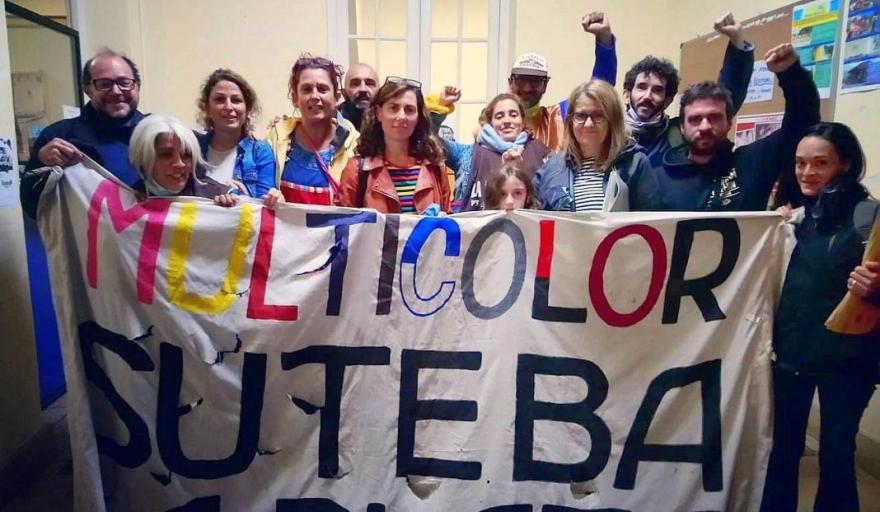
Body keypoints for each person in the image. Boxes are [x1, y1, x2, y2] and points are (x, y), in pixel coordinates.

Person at [761, 122, 880, 512]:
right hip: (791, 355)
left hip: (848, 362)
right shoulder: (798, 217)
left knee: (836, 457)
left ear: (845, 164)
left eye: (820, 163)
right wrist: (777, 227)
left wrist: (876, 287)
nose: (807, 172)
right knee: (781, 453)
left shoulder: (871, 217)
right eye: (800, 163)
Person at [629, 43, 820, 212]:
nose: (705, 126)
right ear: (682, 128)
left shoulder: (753, 163)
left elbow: (802, 124)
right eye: (695, 119)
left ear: (729, 122)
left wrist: (791, 74)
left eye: (714, 117)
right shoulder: (656, 178)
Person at [21, 49, 146, 218]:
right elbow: (34, 208)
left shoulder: (163, 135)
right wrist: (41, 164)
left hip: (151, 233)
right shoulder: (58, 136)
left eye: (124, 82)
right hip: (86, 235)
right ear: (87, 90)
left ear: (137, 86)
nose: (116, 91)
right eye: (104, 84)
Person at [623, 12, 755, 165]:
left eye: (657, 90)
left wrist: (737, 41)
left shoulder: (680, 133)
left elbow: (726, 96)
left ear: (668, 100)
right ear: (627, 94)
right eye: (641, 87)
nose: (647, 96)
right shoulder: (609, 133)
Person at [533, 79, 650, 212]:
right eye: (580, 116)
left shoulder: (635, 163)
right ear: (570, 121)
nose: (588, 124)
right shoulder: (552, 167)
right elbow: (533, 216)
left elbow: (652, 222)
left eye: (598, 115)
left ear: (613, 121)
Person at [337, 77, 450, 214]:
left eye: (409, 110)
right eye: (393, 108)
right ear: (379, 113)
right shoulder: (357, 169)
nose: (401, 116)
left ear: (419, 117)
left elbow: (448, 222)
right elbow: (342, 223)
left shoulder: (436, 168)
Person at [509, 11, 617, 150]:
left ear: (545, 85)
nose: (527, 88)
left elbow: (600, 90)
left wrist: (604, 38)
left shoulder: (559, 116)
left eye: (535, 81)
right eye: (521, 80)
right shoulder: (494, 123)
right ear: (510, 82)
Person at [266, 55, 358, 205]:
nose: (315, 96)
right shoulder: (275, 141)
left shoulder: (354, 146)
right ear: (295, 98)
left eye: (322, 89)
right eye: (307, 89)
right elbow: (259, 192)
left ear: (336, 97)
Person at [444, 92, 550, 211]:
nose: (507, 121)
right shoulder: (467, 154)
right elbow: (432, 141)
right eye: (499, 117)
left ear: (523, 120)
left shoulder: (540, 152)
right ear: (490, 123)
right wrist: (439, 110)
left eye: (513, 115)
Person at [195, 68, 283, 207]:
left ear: (247, 108)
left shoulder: (260, 151)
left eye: (236, 100)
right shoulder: (193, 147)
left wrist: (243, 200)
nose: (228, 106)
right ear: (207, 107)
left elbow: (264, 209)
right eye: (219, 99)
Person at [129, 114, 241, 206]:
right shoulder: (128, 201)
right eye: (166, 155)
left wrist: (229, 205)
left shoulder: (214, 196)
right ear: (143, 158)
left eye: (186, 154)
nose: (180, 164)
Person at [339, 63, 379, 130]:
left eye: (369, 83)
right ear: (344, 93)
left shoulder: (390, 123)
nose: (363, 89)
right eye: (355, 84)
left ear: (380, 91)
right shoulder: (331, 124)